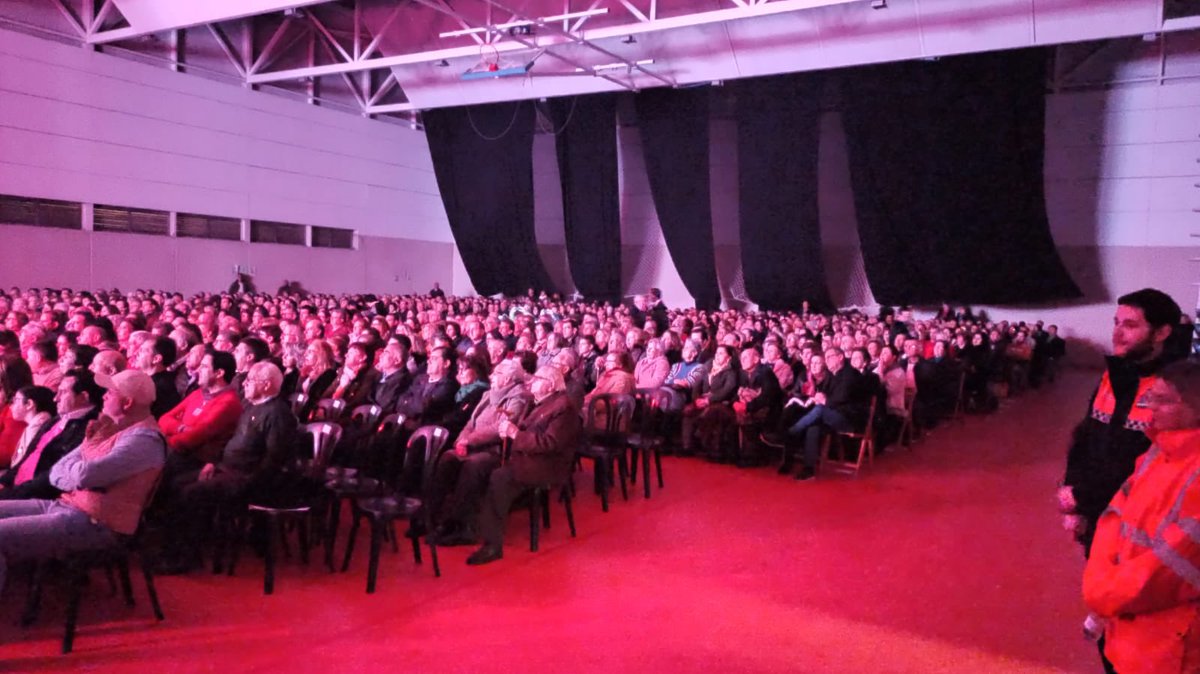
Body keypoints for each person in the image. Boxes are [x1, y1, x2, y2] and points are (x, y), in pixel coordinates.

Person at [1059, 288, 1183, 673]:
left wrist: (1082, 494)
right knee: (1109, 625)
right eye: (1117, 323)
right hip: (1104, 524)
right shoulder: (1113, 376)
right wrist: (1075, 499)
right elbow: (1088, 438)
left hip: (1146, 532)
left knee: (1140, 629)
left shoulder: (1177, 390)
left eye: (1130, 325)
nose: (1118, 332)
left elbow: (1143, 466)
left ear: (1161, 332)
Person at [0, 369, 166, 594]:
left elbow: (84, 476)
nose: (104, 396)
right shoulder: (109, 427)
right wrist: (74, 474)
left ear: (127, 403)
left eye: (110, 392)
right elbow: (57, 472)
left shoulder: (144, 441)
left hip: (96, 523)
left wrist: (75, 473)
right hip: (68, 505)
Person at [1082, 359, 1200, 674]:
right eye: (1150, 398)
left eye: (1162, 400)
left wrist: (1101, 592)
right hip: (1130, 633)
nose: (1150, 408)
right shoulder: (1158, 450)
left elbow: (1170, 567)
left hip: (1171, 650)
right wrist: (1101, 576)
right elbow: (1115, 513)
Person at [157, 362, 297, 573]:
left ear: (267, 385)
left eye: (250, 381)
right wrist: (214, 464)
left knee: (191, 493)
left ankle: (187, 558)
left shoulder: (277, 413)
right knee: (177, 483)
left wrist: (244, 481)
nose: (245, 385)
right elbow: (230, 442)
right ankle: (175, 548)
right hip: (228, 469)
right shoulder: (251, 405)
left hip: (248, 478)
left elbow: (274, 459)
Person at [466, 365, 582, 566]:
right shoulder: (540, 402)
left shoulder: (564, 407)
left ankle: (493, 544)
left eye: (537, 378)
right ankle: (470, 527)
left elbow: (549, 443)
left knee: (499, 478)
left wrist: (515, 434)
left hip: (546, 465)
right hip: (528, 458)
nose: (531, 381)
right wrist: (510, 428)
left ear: (551, 384)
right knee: (480, 467)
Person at [430, 359, 532, 546]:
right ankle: (433, 517)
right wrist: (462, 439)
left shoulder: (518, 397)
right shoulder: (488, 394)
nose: (492, 376)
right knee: (447, 459)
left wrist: (470, 440)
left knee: (473, 466)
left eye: (497, 373)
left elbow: (498, 428)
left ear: (509, 377)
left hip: (495, 449)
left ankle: (464, 525)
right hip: (472, 444)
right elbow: (471, 421)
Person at [0, 369, 102, 501]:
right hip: (18, 486)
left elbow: (55, 475)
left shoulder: (90, 428)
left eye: (63, 392)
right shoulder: (57, 418)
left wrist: (11, 494)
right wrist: (4, 481)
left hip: (38, 496)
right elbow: (28, 457)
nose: (55, 398)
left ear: (83, 397)